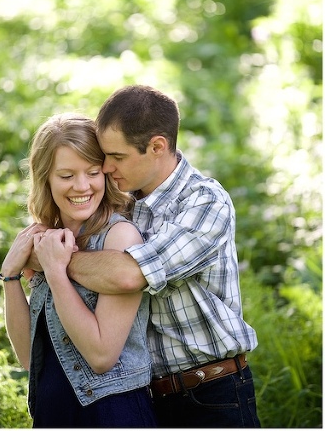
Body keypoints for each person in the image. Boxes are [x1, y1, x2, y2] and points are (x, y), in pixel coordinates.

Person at [64, 85, 260, 427]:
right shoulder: (125, 206)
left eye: (118, 156)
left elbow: (129, 275)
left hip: (213, 395)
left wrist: (53, 260)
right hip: (144, 397)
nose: (106, 167)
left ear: (157, 146)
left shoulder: (204, 202)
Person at [0, 113, 156, 427]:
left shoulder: (119, 237)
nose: (82, 186)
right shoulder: (46, 241)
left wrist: (56, 271)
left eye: (92, 172)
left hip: (110, 413)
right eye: (66, 175)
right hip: (52, 410)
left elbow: (101, 356)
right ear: (46, 178)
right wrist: (10, 275)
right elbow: (29, 359)